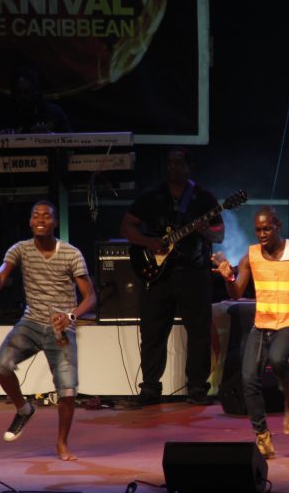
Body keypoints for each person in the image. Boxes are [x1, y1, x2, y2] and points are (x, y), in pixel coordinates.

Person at [0, 200, 95, 461]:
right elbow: (1, 274)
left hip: (60, 328)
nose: (41, 219)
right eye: (36, 215)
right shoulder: (20, 249)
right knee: (0, 365)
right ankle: (24, 409)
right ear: (30, 221)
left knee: (67, 390)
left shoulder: (71, 254)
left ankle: (62, 443)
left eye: (46, 215)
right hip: (31, 323)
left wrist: (70, 316)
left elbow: (90, 297)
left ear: (55, 222)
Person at [212, 206, 289, 459]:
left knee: (277, 359)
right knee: (248, 378)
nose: (262, 234)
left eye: (267, 229)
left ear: (278, 226)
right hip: (263, 322)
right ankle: (261, 433)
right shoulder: (251, 256)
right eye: (258, 230)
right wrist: (228, 278)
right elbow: (236, 293)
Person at [120, 147, 224, 406]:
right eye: (170, 163)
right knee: (152, 333)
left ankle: (197, 389)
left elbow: (219, 234)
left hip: (194, 273)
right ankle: (150, 388)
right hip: (158, 276)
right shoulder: (152, 196)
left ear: (190, 167)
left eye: (179, 163)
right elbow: (126, 227)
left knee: (198, 333)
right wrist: (148, 242)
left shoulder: (203, 198)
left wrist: (204, 231)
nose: (173, 168)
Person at [0, 65, 72, 134]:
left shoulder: (54, 113)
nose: (22, 96)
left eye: (26, 92)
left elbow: (70, 140)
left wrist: (48, 135)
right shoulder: (7, 116)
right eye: (18, 92)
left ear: (35, 92)